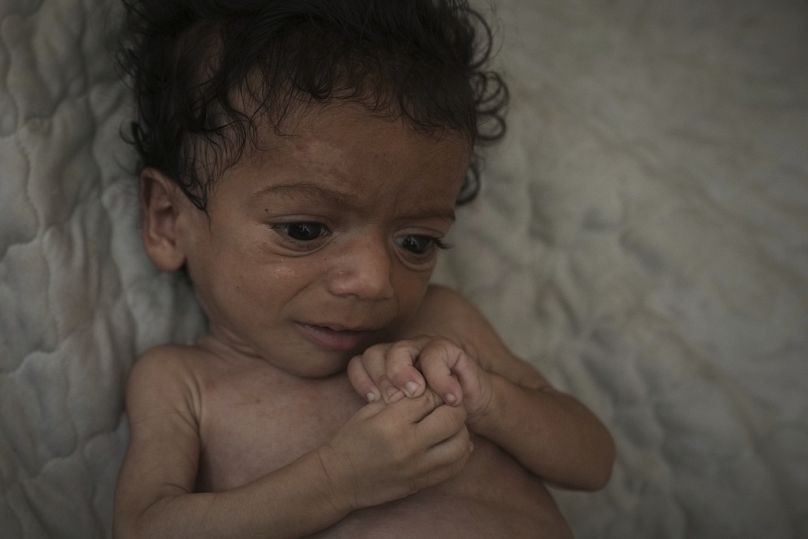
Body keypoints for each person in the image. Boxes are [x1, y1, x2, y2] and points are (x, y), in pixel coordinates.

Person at [113, 1, 616, 537]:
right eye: (304, 230)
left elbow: (593, 462)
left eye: (416, 241)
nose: (375, 281)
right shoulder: (184, 383)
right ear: (168, 221)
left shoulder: (443, 326)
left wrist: (490, 400)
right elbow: (144, 528)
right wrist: (338, 480)